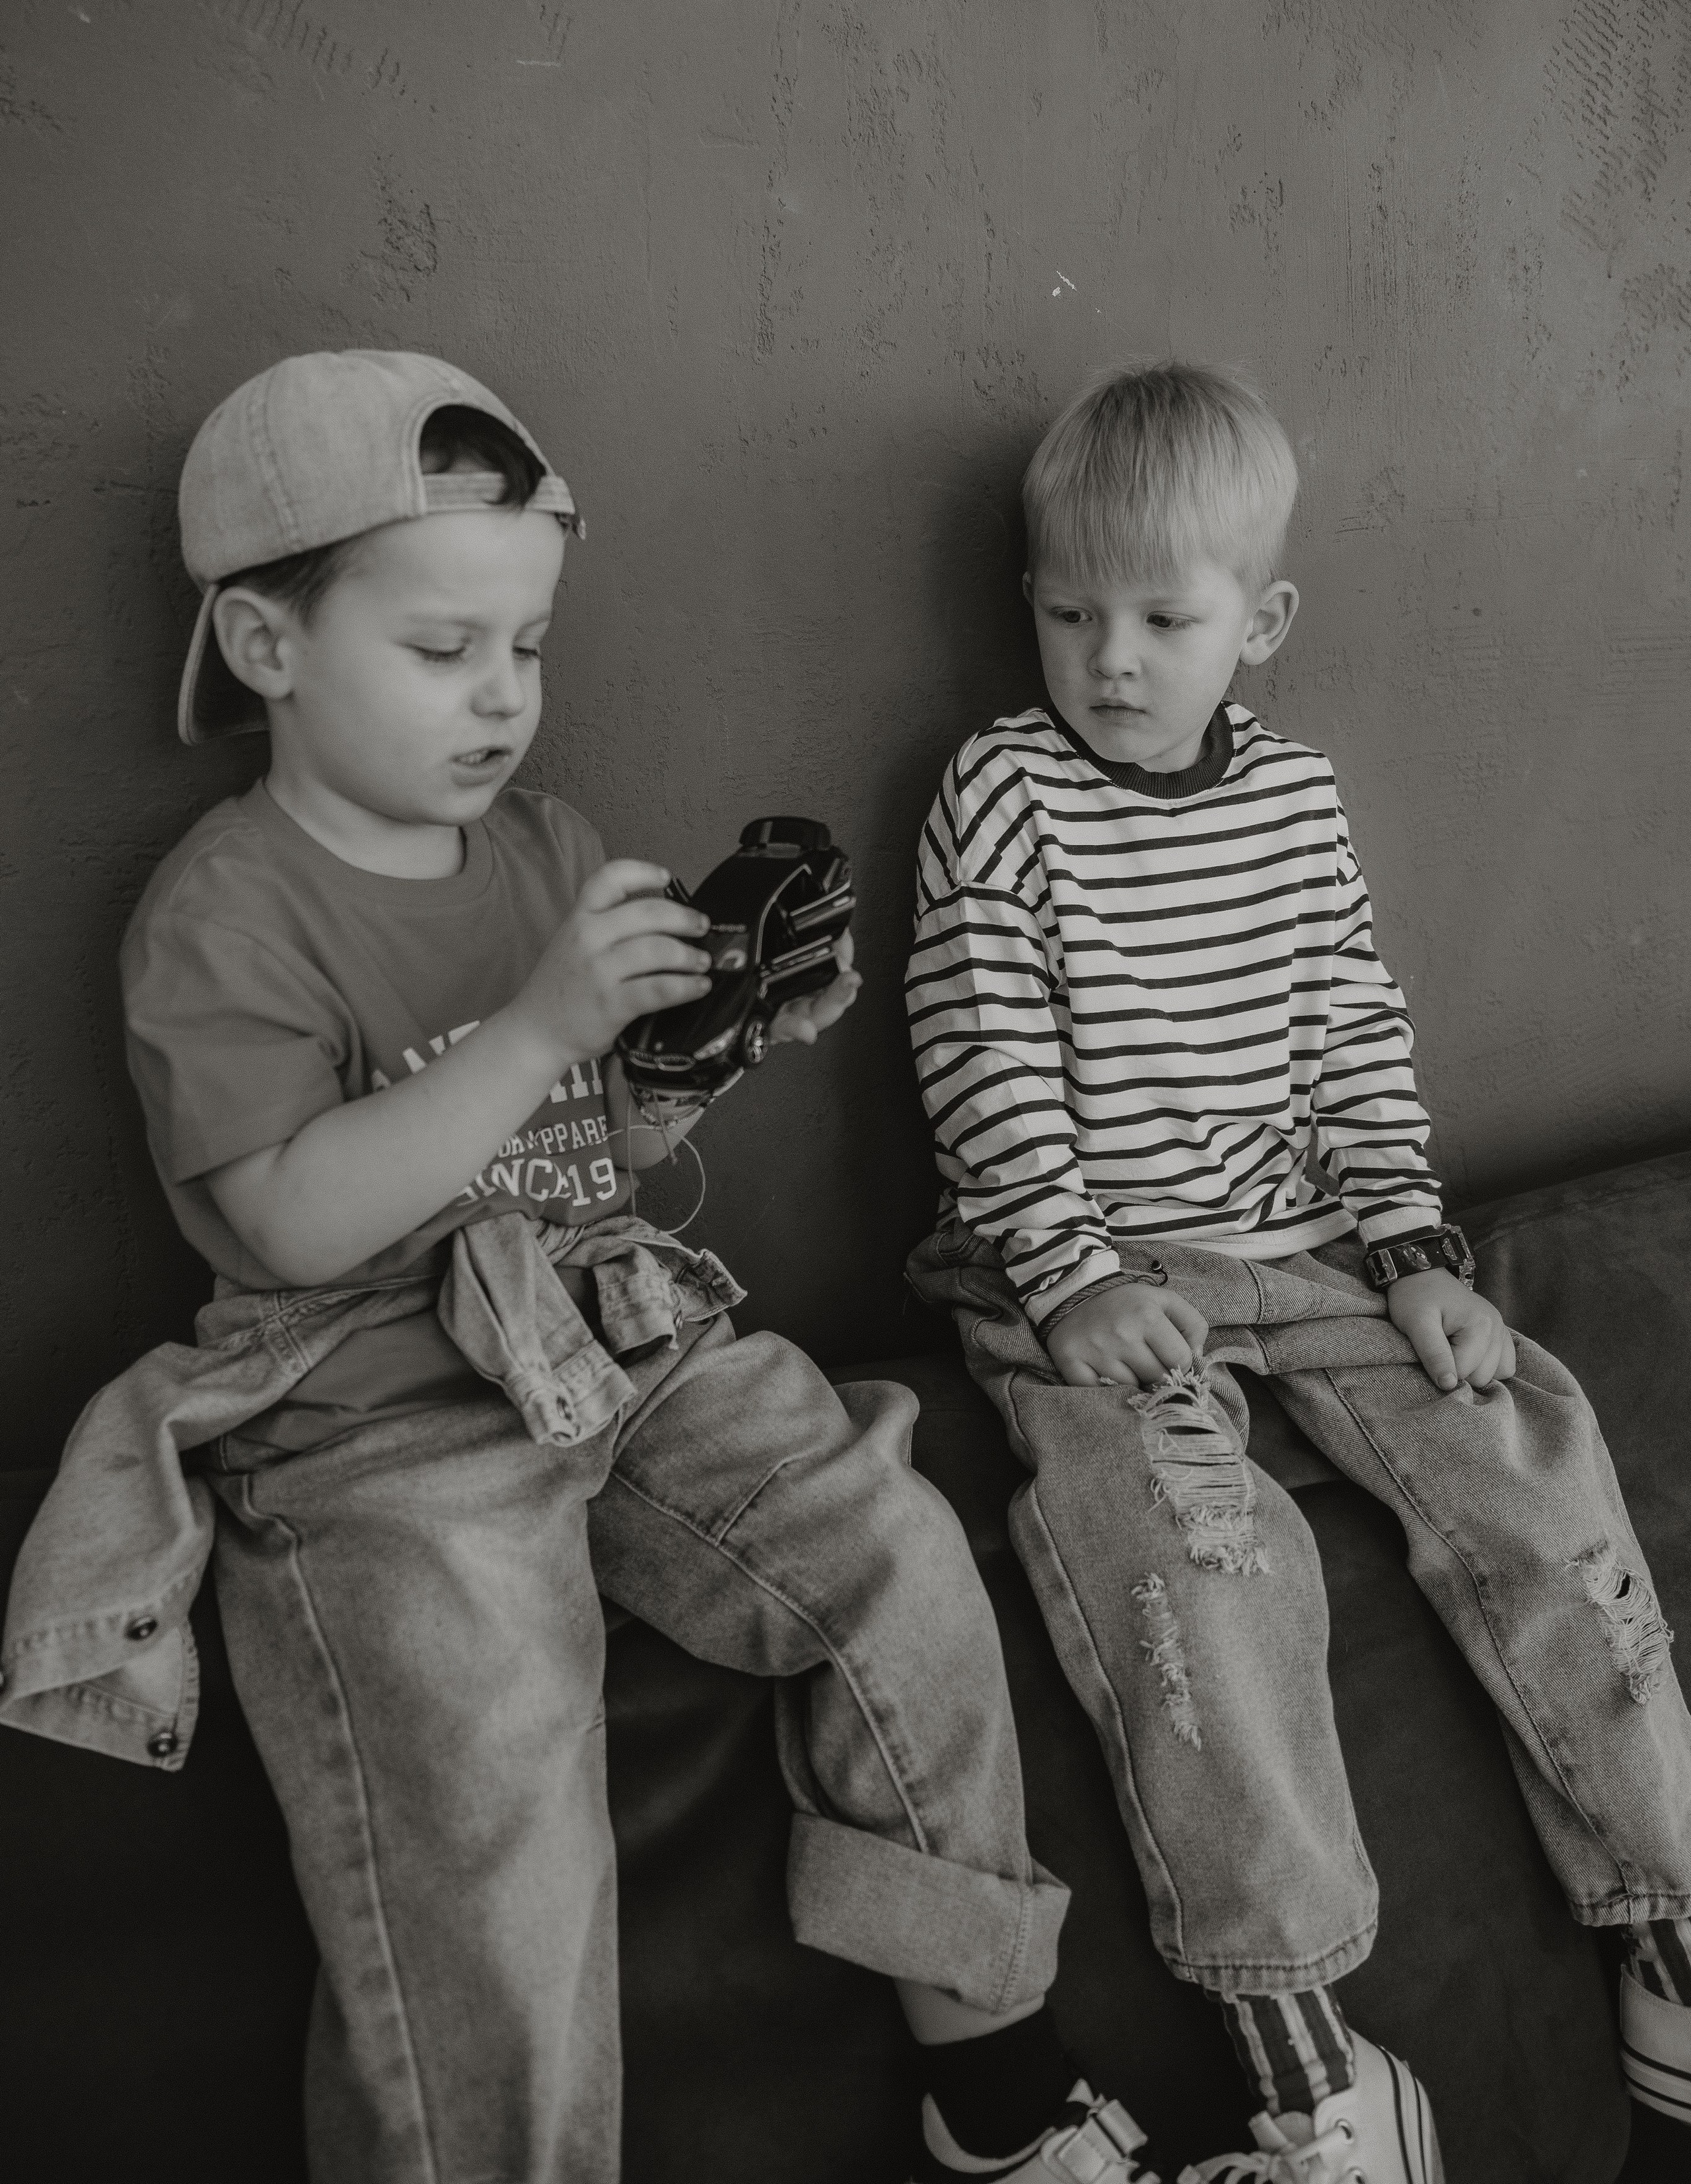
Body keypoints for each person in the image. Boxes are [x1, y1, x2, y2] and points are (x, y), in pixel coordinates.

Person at [3, 349, 1162, 2184]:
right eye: (443, 647)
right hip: (377, 1417)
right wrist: (539, 1031)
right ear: (266, 647)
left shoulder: (545, 852)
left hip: (612, 1340)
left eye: (526, 648)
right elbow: (295, 1217)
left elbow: (588, 1154)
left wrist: (693, 1052)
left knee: (901, 1549)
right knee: (492, 1813)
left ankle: (990, 2076)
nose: (502, 700)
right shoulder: (223, 908)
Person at [905, 361, 1691, 2183]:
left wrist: (1416, 1252)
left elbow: (1353, 1037)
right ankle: (1317, 2067)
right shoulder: (1002, 791)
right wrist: (1072, 1274)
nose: (1109, 655)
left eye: (1161, 619)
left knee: (1527, 1440)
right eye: (1067, 609)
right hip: (1082, 1268)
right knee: (1192, 1553)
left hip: (1304, 1243)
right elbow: (980, 1052)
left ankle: (1666, 1928)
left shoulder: (1297, 801)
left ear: (1256, 625)